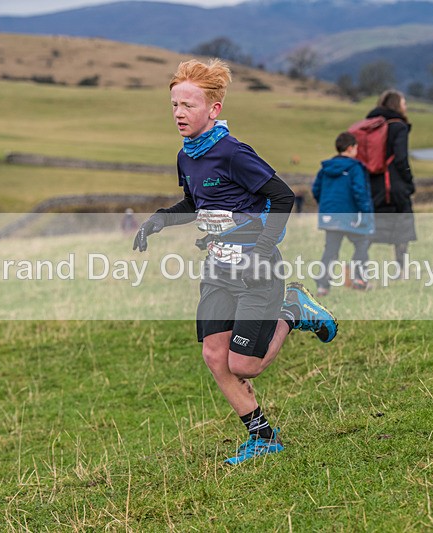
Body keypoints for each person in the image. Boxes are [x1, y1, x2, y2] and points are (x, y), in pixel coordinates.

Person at [132, 58, 338, 464]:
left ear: (213, 110)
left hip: (257, 272)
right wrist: (159, 220)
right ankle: (264, 438)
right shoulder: (186, 157)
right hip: (217, 272)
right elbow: (196, 204)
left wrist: (262, 247)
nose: (178, 113)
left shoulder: (233, 153)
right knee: (214, 355)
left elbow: (283, 197)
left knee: (245, 364)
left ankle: (292, 311)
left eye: (188, 105)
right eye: (174, 104)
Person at [312, 132, 374, 295]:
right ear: (350, 148)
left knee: (330, 250)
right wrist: (366, 212)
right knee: (362, 243)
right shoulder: (355, 168)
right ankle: (359, 279)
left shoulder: (325, 168)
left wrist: (326, 206)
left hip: (330, 216)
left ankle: (322, 286)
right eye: (356, 148)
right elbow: (360, 191)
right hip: (351, 216)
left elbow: (316, 189)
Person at [364, 90, 416, 275]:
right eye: (404, 103)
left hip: (374, 184)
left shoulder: (370, 125)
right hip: (395, 185)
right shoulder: (398, 127)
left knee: (370, 229)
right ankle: (401, 270)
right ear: (396, 105)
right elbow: (401, 158)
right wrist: (409, 181)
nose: (405, 107)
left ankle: (359, 270)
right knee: (402, 227)